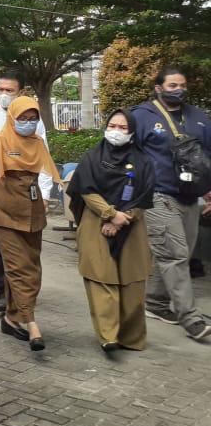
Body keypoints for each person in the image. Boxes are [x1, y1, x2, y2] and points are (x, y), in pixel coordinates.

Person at [131, 67, 211, 340]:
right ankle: (190, 318)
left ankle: (155, 301)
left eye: (182, 84)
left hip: (190, 196)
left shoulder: (198, 116)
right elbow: (127, 156)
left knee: (181, 254)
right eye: (172, 84)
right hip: (158, 196)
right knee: (175, 256)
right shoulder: (142, 116)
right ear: (158, 87)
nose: (178, 89)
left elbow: (207, 155)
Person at [68, 110, 155, 352]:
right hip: (96, 222)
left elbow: (144, 195)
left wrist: (121, 219)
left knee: (132, 282)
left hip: (132, 224)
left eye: (123, 127)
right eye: (112, 125)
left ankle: (131, 337)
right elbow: (86, 189)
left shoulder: (143, 161)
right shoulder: (92, 157)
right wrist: (109, 214)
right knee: (100, 277)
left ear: (132, 132)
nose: (116, 131)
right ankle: (109, 336)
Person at [0, 96, 60, 351]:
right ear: (12, 117)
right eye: (22, 118)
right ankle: (30, 321)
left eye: (33, 119)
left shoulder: (37, 143)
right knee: (19, 268)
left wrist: (46, 198)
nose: (28, 123)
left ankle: (11, 316)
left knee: (33, 266)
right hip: (3, 211)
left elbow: (46, 174)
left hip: (32, 209)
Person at [0, 70, 54, 314]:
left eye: (9, 90)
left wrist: (44, 194)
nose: (3, 94)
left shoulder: (33, 121)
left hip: (25, 194)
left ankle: (19, 294)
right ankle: (3, 291)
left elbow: (43, 160)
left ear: (19, 91)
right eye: (0, 90)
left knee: (25, 248)